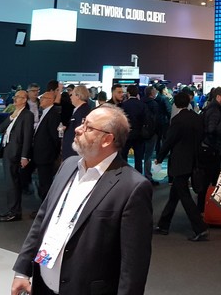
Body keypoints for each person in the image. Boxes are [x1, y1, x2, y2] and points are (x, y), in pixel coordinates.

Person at [11, 105, 153, 295]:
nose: (78, 129)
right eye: (83, 123)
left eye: (88, 127)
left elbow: (134, 263)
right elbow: (43, 219)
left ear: (107, 139)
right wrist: (22, 270)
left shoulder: (132, 186)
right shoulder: (68, 166)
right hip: (43, 285)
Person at [154, 90, 209, 241]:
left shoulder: (177, 120)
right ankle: (163, 224)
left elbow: (169, 141)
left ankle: (200, 228)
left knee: (184, 195)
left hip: (180, 161)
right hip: (194, 159)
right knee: (175, 194)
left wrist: (160, 157)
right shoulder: (197, 118)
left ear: (176, 104)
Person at [0, 90, 34, 222]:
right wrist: (11, 117)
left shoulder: (28, 115)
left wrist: (25, 156)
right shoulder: (14, 113)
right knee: (10, 182)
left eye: (18, 97)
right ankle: (13, 210)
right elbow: (0, 128)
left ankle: (14, 212)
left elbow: (27, 136)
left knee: (13, 183)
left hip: (16, 152)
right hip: (8, 150)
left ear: (24, 100)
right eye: (15, 97)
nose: (15, 99)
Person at [198, 86, 221, 211]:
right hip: (211, 149)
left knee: (206, 180)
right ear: (218, 97)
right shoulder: (215, 111)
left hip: (208, 147)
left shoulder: (210, 108)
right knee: (210, 180)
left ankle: (204, 208)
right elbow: (212, 129)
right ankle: (207, 209)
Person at [33, 91, 62, 202]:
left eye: (43, 98)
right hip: (41, 154)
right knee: (43, 181)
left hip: (46, 155)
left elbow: (55, 137)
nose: (40, 100)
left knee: (46, 182)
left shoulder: (53, 114)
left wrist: (53, 154)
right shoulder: (46, 112)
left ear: (51, 100)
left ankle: (46, 206)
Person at [120, 84, 147, 174]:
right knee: (138, 159)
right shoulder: (142, 105)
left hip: (127, 134)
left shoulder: (124, 105)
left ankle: (124, 175)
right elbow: (146, 120)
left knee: (124, 156)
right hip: (139, 135)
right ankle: (138, 177)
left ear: (128, 93)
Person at [62, 85, 90, 160]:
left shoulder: (83, 112)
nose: (70, 97)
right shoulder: (80, 110)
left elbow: (80, 132)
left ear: (78, 96)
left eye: (72, 95)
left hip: (74, 154)